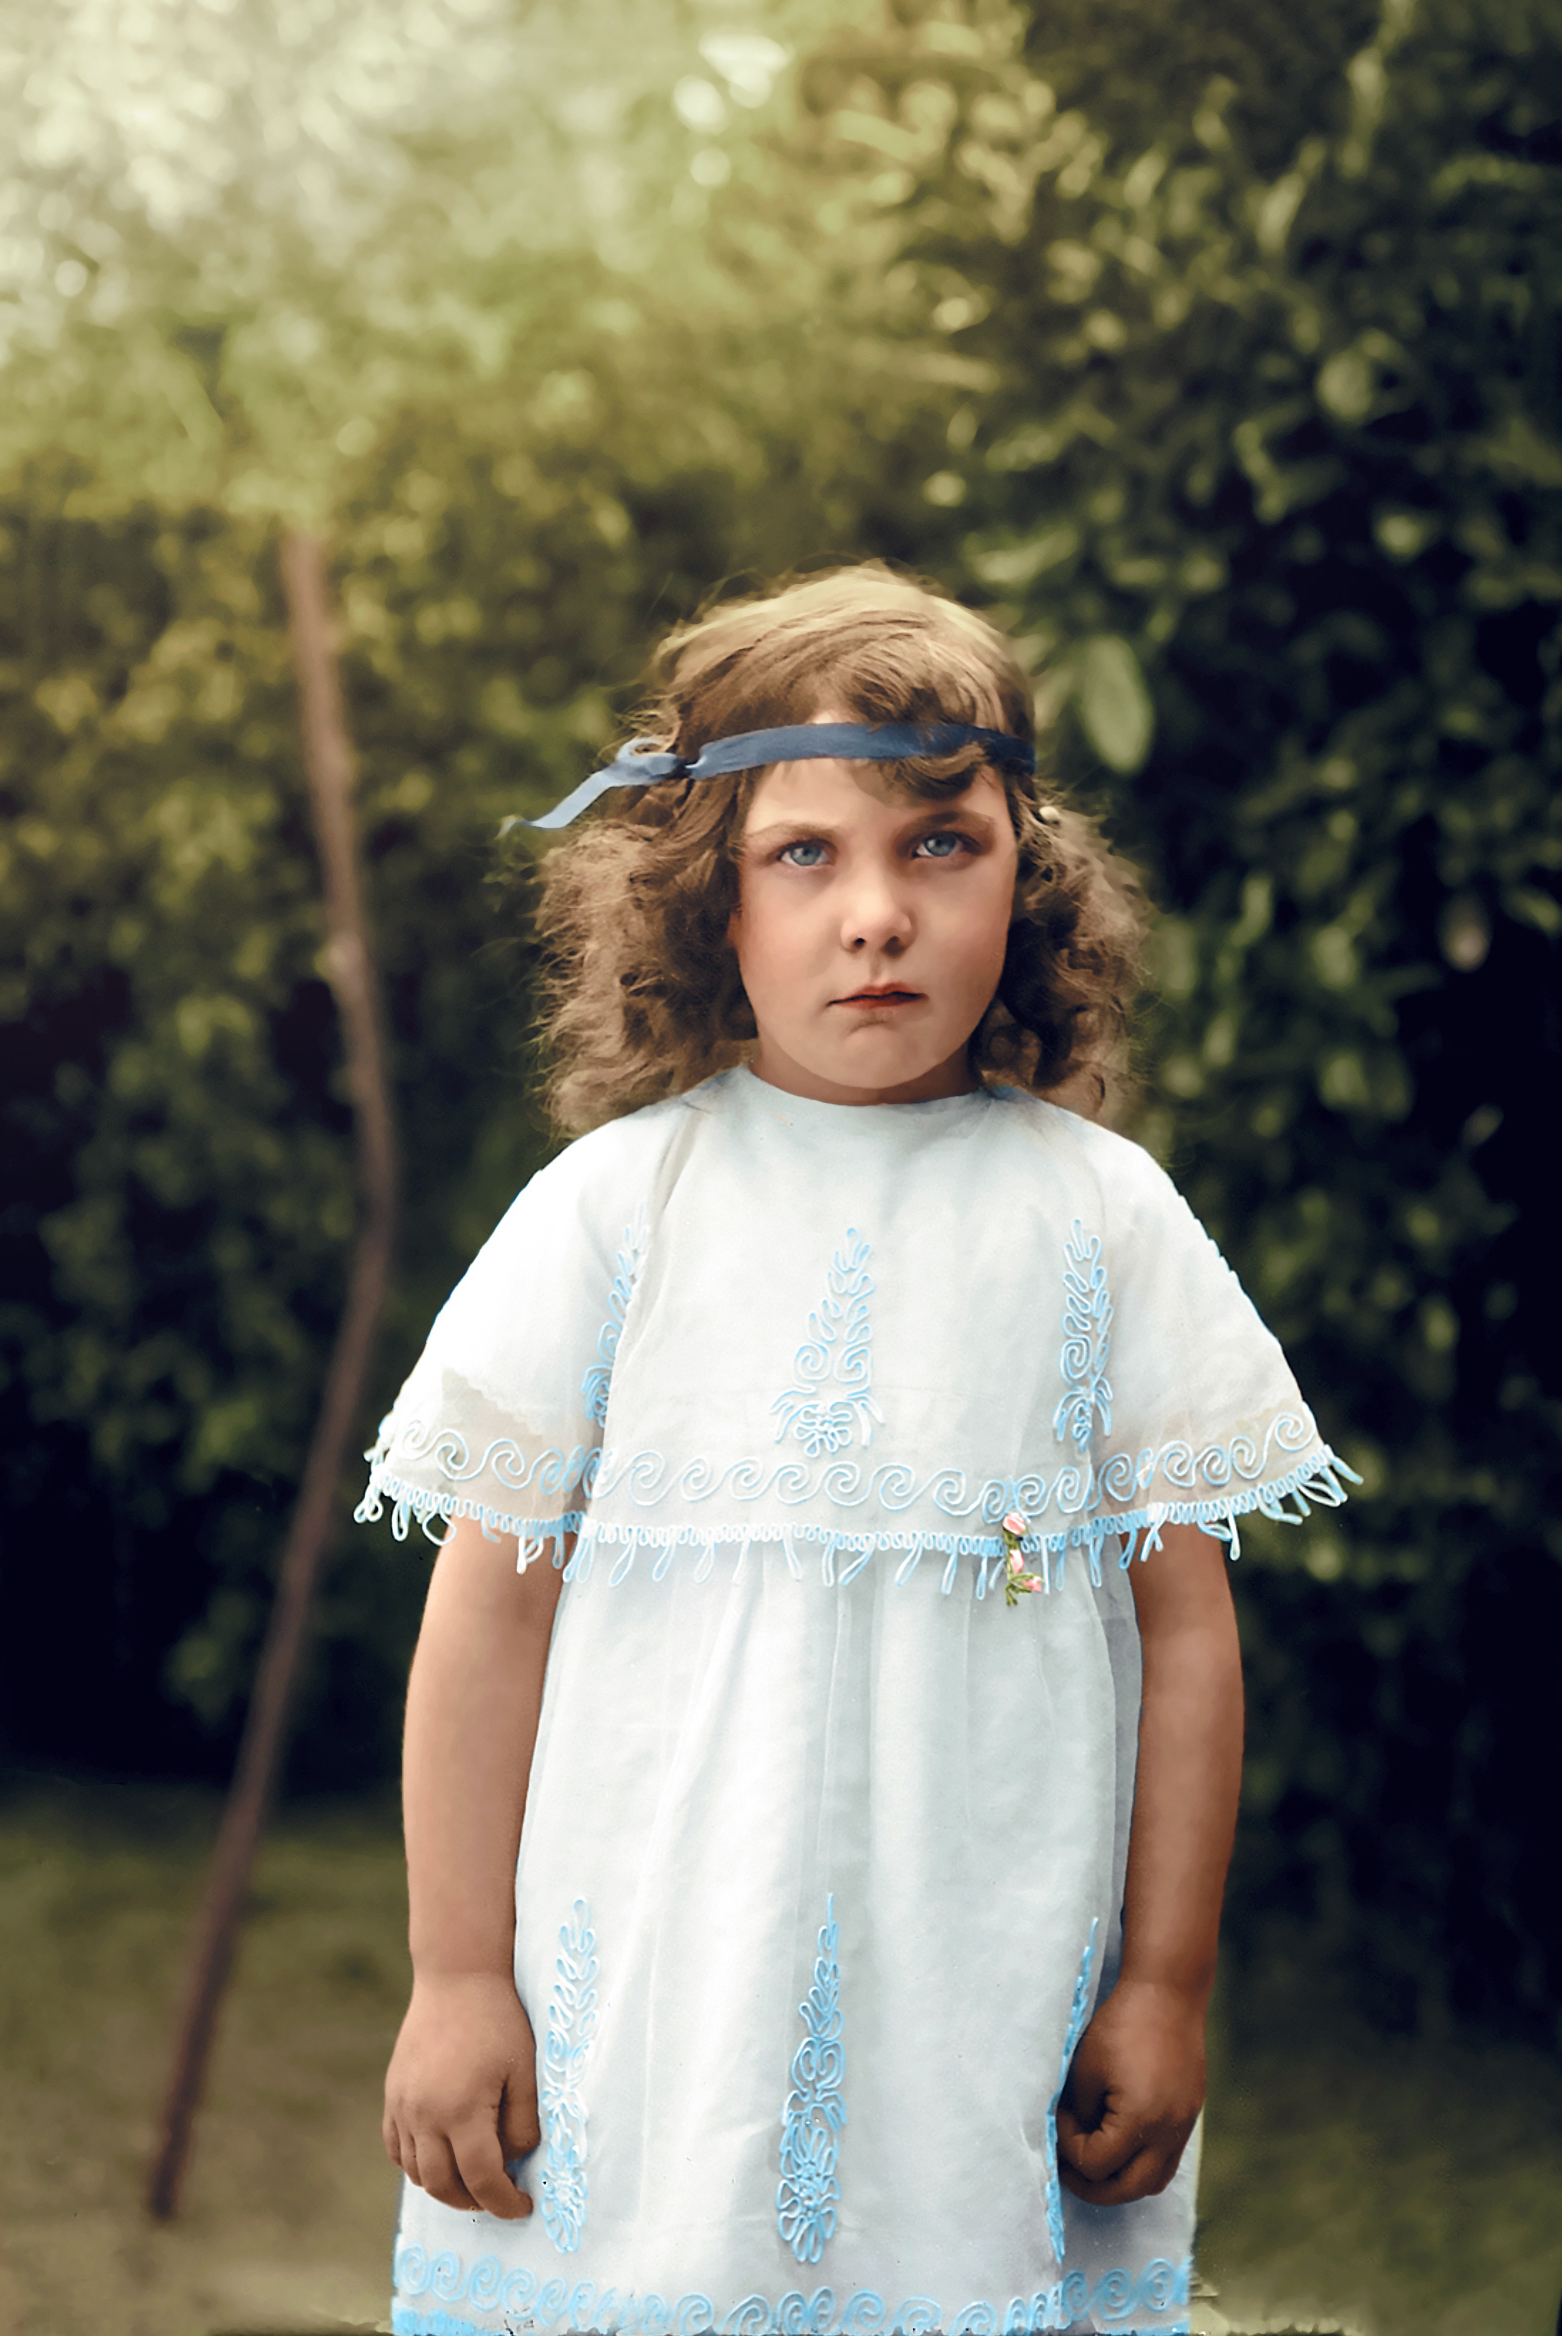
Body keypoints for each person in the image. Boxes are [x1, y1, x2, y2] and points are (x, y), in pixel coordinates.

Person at [360, 568, 1353, 2336]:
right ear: (706, 902)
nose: (875, 916)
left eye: (937, 848)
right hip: (643, 2010)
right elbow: (487, 1623)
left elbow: (1185, 1635)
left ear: (1024, 885)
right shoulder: (616, 1207)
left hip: (977, 2022)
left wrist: (1164, 1983)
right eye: (804, 855)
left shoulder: (1099, 1220)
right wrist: (452, 1976)